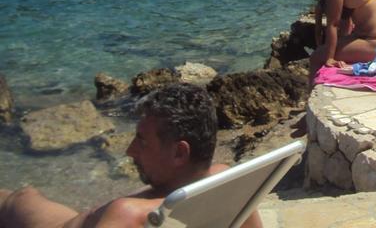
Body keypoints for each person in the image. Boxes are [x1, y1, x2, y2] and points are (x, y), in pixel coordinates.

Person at [0, 84, 261, 228]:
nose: (129, 150)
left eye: (142, 141)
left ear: (179, 153)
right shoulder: (228, 182)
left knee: (21, 199)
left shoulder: (128, 216)